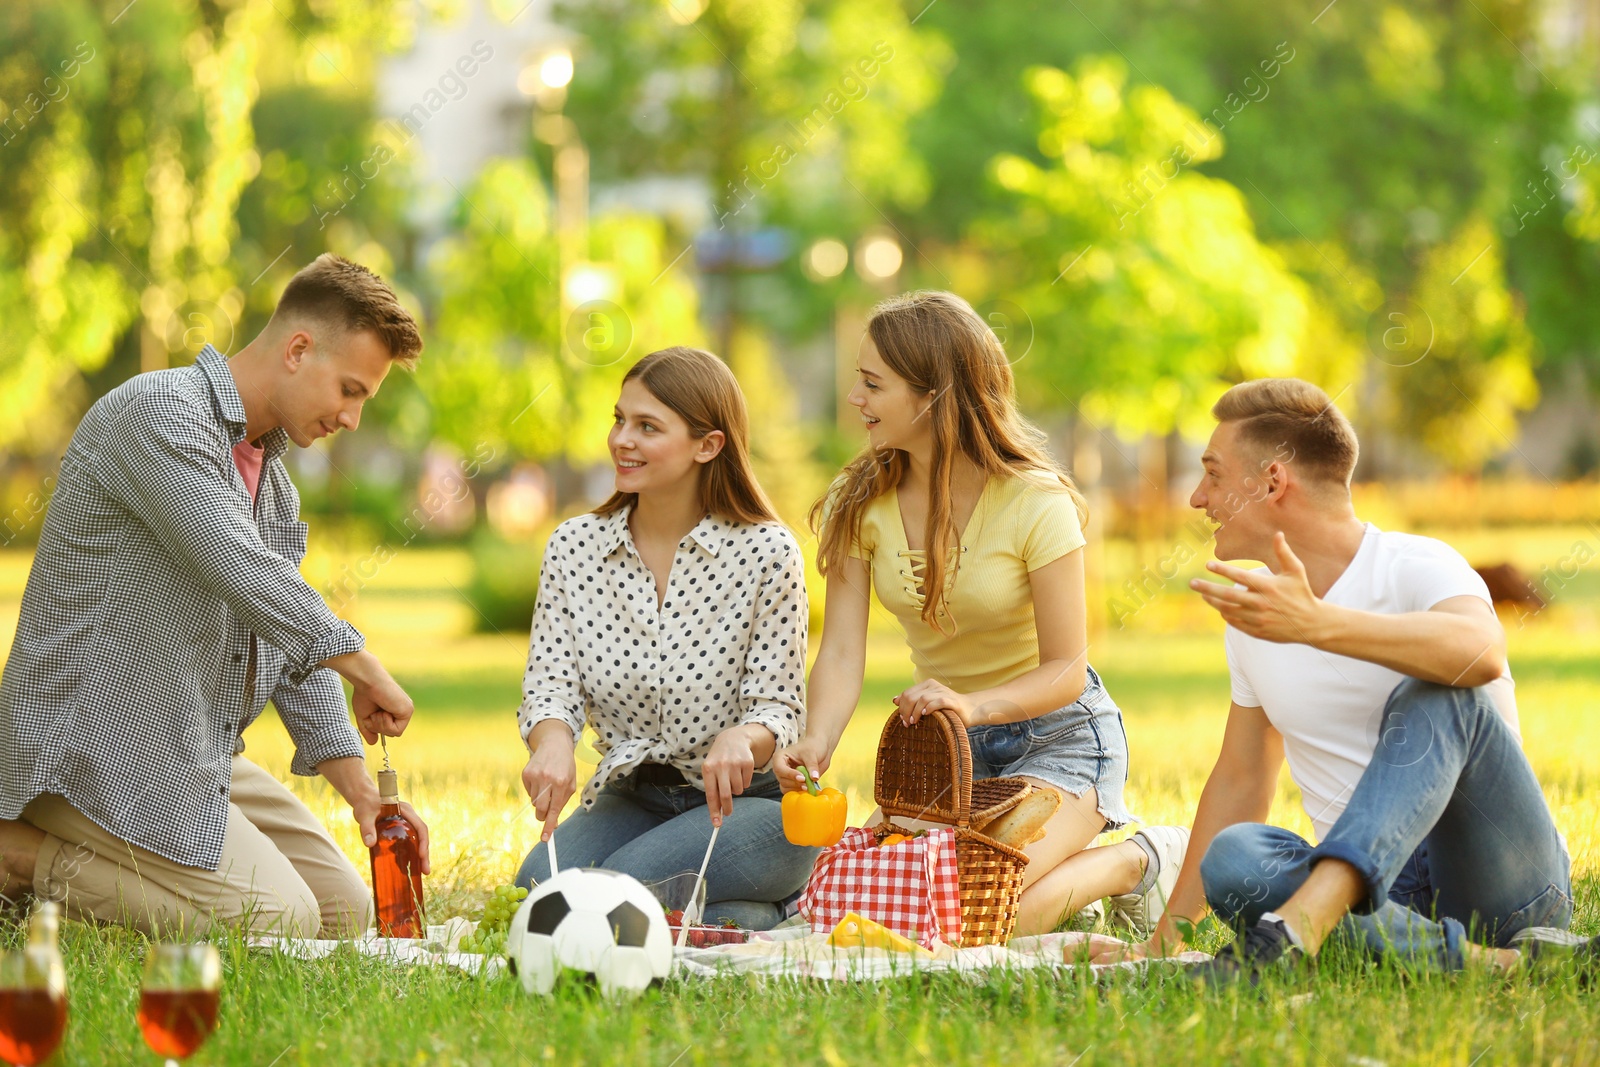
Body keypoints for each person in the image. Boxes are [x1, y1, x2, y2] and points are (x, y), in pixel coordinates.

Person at [1096, 378, 1594, 983]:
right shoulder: (1255, 618)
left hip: (1497, 885)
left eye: (1214, 475)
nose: (1199, 498)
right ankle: (1492, 966)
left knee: (1438, 691)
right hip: (1369, 901)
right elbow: (1241, 778)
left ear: (1273, 482)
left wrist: (1318, 625)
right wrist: (1163, 944)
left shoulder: (1417, 564)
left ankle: (1301, 926)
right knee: (1233, 858)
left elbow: (1479, 654)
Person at [0, 254, 430, 939]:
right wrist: (360, 659)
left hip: (188, 751)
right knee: (279, 922)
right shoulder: (158, 414)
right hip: (88, 752)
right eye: (349, 389)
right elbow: (241, 568)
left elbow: (287, 640)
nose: (351, 417)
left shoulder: (274, 484)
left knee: (344, 915)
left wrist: (362, 797)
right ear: (297, 349)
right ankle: (22, 856)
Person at [775, 291, 1189, 938]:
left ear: (932, 395)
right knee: (912, 911)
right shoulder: (859, 501)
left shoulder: (1035, 501)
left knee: (975, 915)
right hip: (948, 758)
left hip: (1058, 740)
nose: (854, 398)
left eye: (871, 383)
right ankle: (1063, 885)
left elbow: (1067, 670)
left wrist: (972, 705)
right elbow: (842, 651)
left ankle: (1136, 861)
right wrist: (817, 741)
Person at [513, 347, 815, 930]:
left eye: (647, 426)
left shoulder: (766, 553)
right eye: (619, 420)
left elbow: (779, 706)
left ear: (708, 446)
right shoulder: (575, 547)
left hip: (751, 808)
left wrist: (744, 737)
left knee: (586, 902)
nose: (622, 439)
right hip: (635, 798)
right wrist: (550, 743)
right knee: (535, 890)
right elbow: (551, 685)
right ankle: (740, 914)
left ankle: (718, 902)